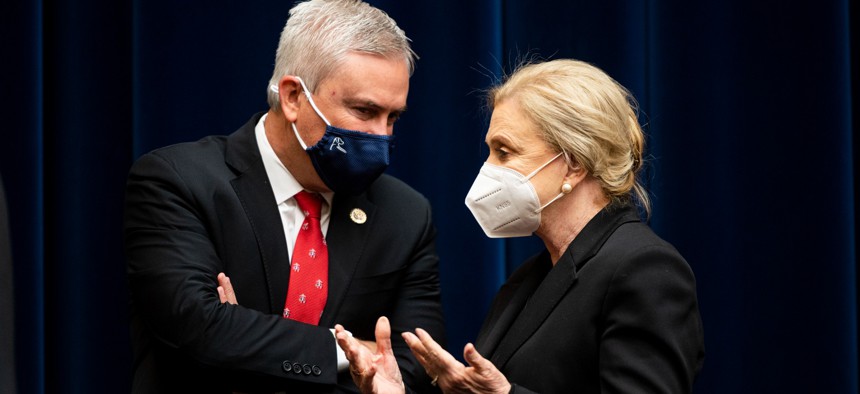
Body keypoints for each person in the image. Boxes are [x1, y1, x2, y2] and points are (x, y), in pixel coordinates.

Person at [124, 1, 445, 392]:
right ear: (293, 96)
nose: (382, 136)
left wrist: (245, 335)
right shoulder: (178, 181)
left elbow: (415, 369)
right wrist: (350, 352)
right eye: (365, 111)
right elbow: (198, 329)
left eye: (393, 118)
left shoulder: (405, 214)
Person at [335, 59, 705, 393]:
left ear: (573, 164)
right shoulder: (532, 276)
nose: (488, 169)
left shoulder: (644, 268)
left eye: (505, 152)